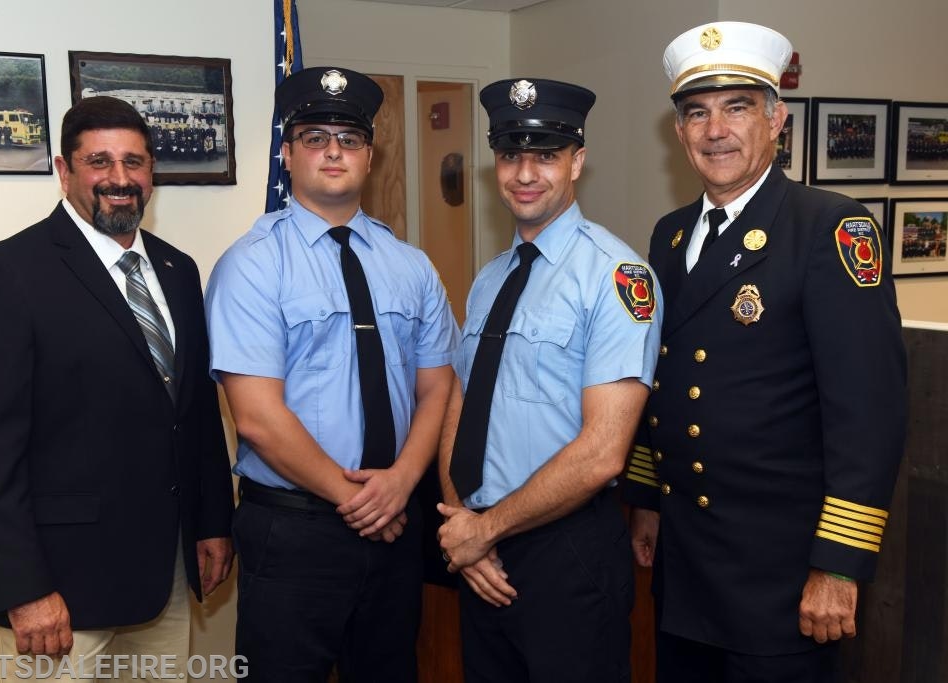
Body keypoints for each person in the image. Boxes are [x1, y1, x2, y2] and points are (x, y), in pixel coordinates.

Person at [623, 21, 907, 683]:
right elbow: (662, 375)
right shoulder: (669, 236)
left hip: (782, 577)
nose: (715, 130)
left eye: (737, 108)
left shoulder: (830, 227)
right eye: (697, 113)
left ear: (777, 121)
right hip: (685, 566)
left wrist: (839, 564)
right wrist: (646, 495)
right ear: (679, 132)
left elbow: (869, 415)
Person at [0, 96, 235, 681]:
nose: (119, 179)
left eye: (134, 162)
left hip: (166, 575)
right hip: (59, 591)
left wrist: (212, 523)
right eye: (99, 161)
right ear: (63, 170)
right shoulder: (3, 273)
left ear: (151, 171)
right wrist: (24, 588)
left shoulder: (177, 270)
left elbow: (195, 414)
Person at [205, 66, 458, 682]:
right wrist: (360, 500)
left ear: (370, 155)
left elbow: (437, 389)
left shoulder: (411, 266)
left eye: (349, 139)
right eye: (315, 138)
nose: (334, 152)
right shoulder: (252, 265)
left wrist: (401, 483)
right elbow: (257, 419)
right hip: (294, 530)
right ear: (287, 154)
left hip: (395, 523)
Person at [437, 78, 663, 682]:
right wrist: (461, 524)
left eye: (546, 155)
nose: (525, 173)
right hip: (481, 550)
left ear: (577, 162)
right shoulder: (489, 278)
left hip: (566, 554)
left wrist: (483, 531)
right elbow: (462, 401)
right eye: (511, 155)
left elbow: (602, 453)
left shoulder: (617, 278)